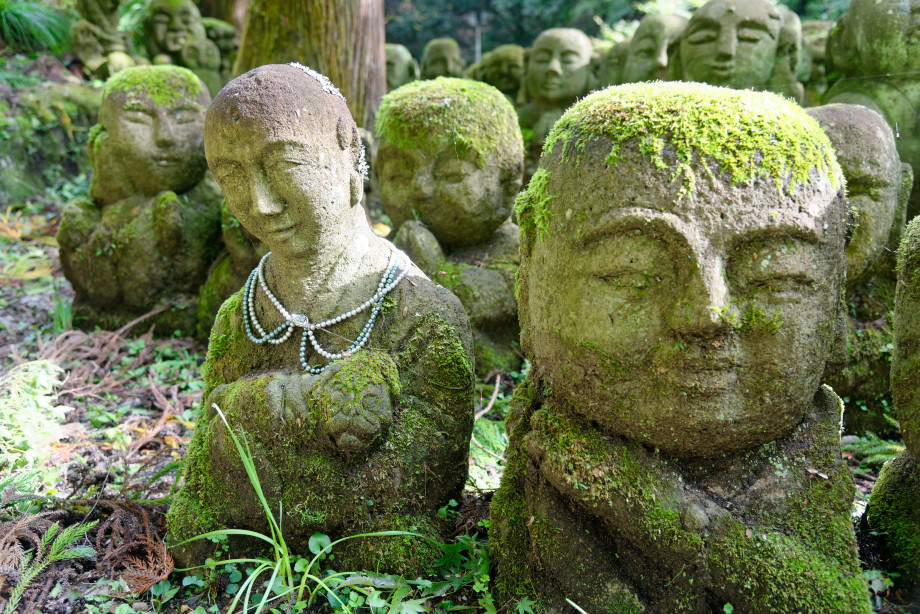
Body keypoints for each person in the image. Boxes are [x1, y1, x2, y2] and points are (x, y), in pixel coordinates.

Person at [490, 81, 870, 612]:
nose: (706, 315)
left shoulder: (807, 474)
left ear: (834, 295)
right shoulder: (548, 449)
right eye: (632, 272)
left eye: (775, 277)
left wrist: (660, 512)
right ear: (531, 273)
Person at [166, 63, 475, 575]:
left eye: (284, 164)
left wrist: (252, 425)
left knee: (392, 551)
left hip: (375, 535)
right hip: (274, 527)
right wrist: (302, 407)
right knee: (199, 545)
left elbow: (424, 476)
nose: (261, 203)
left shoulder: (423, 313)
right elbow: (206, 477)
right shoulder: (238, 317)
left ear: (353, 157)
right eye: (231, 176)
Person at [376, 77, 524, 376]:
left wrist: (433, 265)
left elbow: (486, 303)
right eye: (399, 175)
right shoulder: (383, 249)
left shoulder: (517, 249)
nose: (420, 189)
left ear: (508, 183)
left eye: (452, 173)